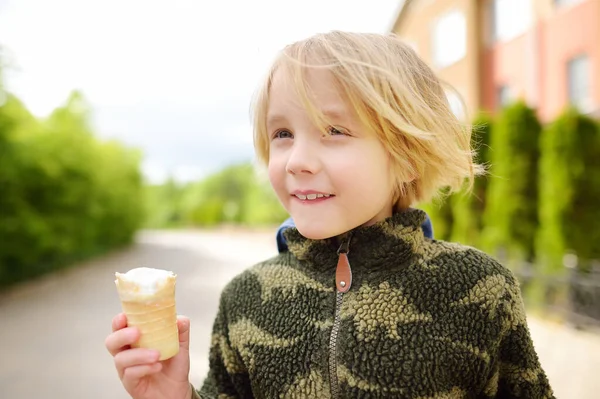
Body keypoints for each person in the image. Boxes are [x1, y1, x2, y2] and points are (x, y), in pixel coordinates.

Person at [105, 31, 555, 398]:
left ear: (407, 153)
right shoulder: (245, 299)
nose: (297, 159)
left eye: (333, 130)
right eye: (282, 133)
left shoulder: (479, 287)